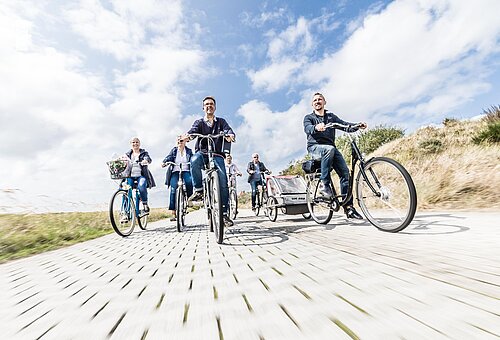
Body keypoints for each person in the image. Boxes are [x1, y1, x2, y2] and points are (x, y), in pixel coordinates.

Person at [303, 92, 367, 219]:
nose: (317, 101)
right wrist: (316, 127)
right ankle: (324, 185)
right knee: (329, 149)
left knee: (345, 174)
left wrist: (357, 126)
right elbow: (308, 128)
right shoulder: (308, 117)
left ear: (324, 102)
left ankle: (349, 208)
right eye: (315, 100)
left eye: (320, 99)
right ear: (312, 104)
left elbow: (344, 125)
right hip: (315, 148)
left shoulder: (331, 117)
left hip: (331, 148)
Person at [181, 96, 236, 227]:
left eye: (211, 104)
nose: (209, 106)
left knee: (223, 180)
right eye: (206, 104)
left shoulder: (221, 122)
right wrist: (187, 137)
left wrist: (230, 136)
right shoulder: (199, 122)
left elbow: (228, 131)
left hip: (217, 154)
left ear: (215, 107)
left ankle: (224, 214)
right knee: (194, 160)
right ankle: (199, 190)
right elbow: (192, 132)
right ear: (203, 108)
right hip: (203, 153)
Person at [161, 137, 193, 221]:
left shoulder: (189, 151)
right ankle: (173, 213)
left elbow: (192, 159)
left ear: (185, 142)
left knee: (189, 181)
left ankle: (189, 199)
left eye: (181, 140)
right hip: (175, 171)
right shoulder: (174, 150)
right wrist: (164, 162)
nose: (180, 142)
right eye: (178, 141)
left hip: (186, 170)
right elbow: (169, 157)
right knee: (173, 189)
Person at [124, 137, 155, 216]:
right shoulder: (127, 154)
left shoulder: (144, 153)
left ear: (139, 143)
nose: (135, 144)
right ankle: (125, 212)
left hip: (140, 175)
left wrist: (145, 161)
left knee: (141, 186)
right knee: (125, 190)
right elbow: (123, 160)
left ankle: (145, 204)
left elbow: (148, 158)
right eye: (133, 142)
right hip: (130, 176)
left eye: (137, 142)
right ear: (131, 144)